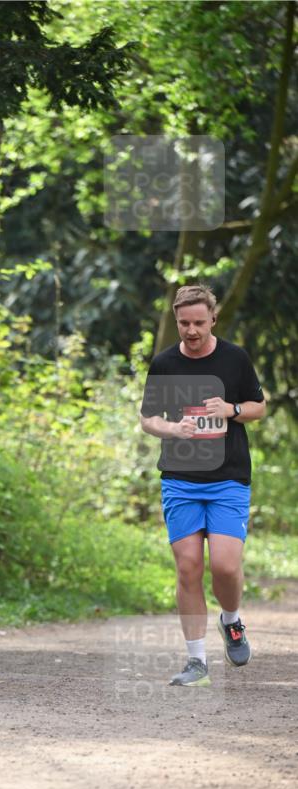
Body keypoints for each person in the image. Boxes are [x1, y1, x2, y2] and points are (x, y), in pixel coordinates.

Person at [140, 284, 266, 687]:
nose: (191, 330)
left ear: (213, 318)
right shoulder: (165, 363)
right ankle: (196, 661)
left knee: (225, 566)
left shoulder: (234, 358)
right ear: (176, 321)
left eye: (198, 322)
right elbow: (148, 418)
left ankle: (231, 620)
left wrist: (231, 409)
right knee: (188, 567)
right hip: (180, 479)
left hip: (228, 477)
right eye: (184, 323)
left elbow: (259, 407)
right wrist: (172, 429)